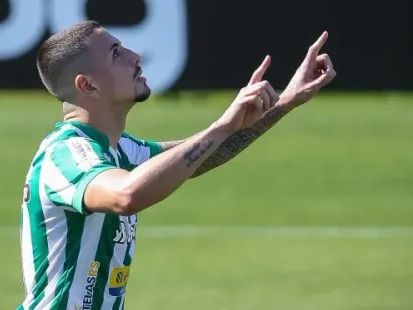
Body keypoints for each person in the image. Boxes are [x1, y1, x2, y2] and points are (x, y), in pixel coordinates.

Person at [17, 20, 336, 310]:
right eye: (116, 54)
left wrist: (285, 101)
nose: (135, 55)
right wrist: (221, 126)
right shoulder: (65, 155)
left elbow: (197, 158)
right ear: (87, 86)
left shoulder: (121, 149)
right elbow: (125, 195)